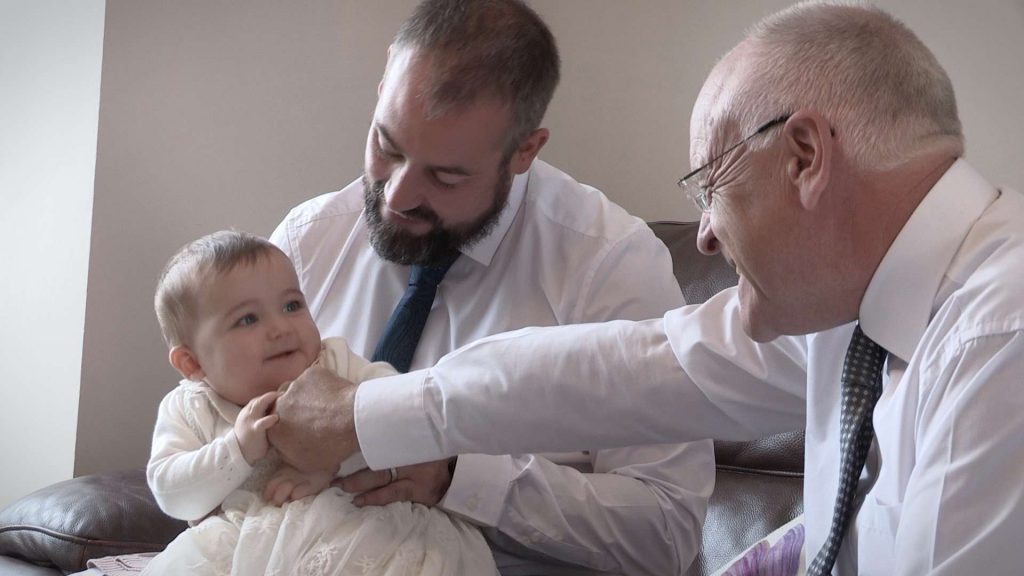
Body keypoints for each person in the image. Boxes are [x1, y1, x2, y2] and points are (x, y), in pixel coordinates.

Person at [270, 2, 1024, 575]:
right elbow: (634, 368)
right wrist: (373, 413)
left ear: (803, 156)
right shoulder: (851, 311)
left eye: (713, 186)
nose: (703, 236)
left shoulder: (999, 338)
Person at [267, 0, 714, 574]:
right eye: (387, 146)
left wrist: (457, 475)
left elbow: (667, 533)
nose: (397, 195)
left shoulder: (609, 267)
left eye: (446, 176)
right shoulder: (308, 242)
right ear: (382, 86)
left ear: (525, 150)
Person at [142, 230, 497, 575]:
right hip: (246, 539)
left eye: (292, 305)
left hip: (360, 522)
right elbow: (173, 495)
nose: (281, 327)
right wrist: (236, 449)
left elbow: (404, 418)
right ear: (193, 363)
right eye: (248, 319)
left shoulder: (335, 364)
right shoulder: (189, 408)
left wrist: (334, 456)